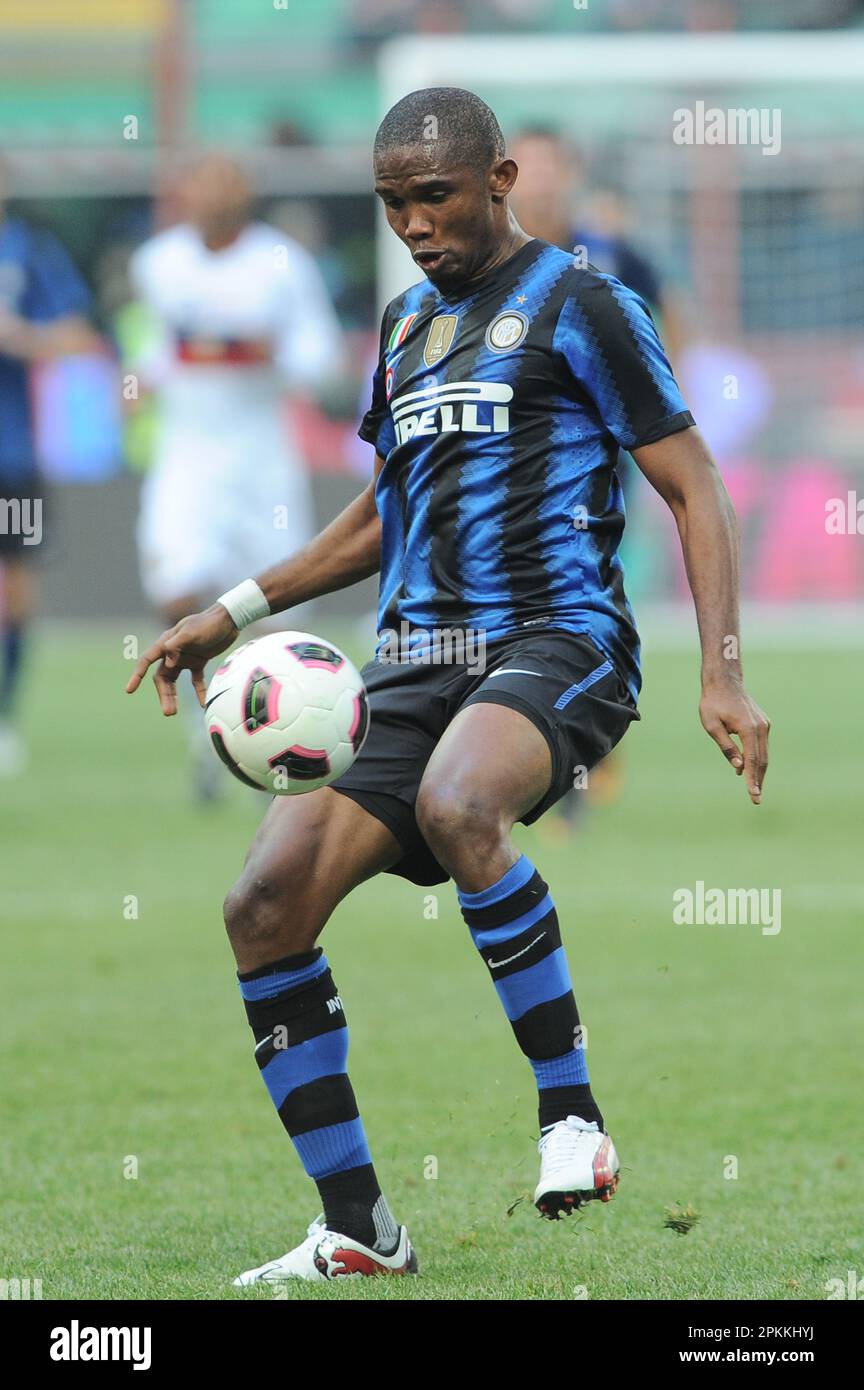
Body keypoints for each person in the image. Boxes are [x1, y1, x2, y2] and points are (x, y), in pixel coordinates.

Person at [127, 89, 770, 1284]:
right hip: (412, 662)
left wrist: (721, 676)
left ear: (500, 179)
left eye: (434, 196)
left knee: (462, 802)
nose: (415, 224)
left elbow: (696, 485)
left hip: (558, 641)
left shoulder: (583, 302)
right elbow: (381, 515)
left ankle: (573, 1119)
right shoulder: (406, 327)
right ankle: (359, 1226)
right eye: (393, 204)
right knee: (262, 902)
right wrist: (228, 614)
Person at [129, 153, 342, 797]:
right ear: (185, 195)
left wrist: (270, 350)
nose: (214, 203)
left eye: (226, 191)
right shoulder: (157, 263)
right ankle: (207, 732)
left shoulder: (282, 263)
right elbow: (155, 347)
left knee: (273, 604)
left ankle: (273, 733)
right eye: (201, 188)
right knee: (178, 589)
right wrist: (140, 380)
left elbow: (323, 356)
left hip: (259, 456)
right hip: (187, 453)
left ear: (245, 197)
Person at [0, 161, 100, 774]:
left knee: (15, 590)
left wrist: (19, 337)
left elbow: (78, 336)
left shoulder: (28, 252)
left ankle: (5, 717)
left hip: (12, 454)